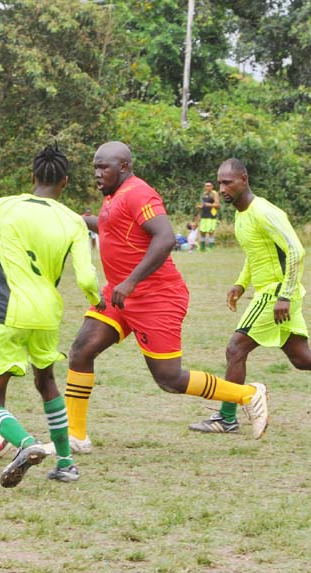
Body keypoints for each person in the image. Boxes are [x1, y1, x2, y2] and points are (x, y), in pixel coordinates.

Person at [66, 141, 269, 447]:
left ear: (123, 167)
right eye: (94, 167)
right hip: (120, 295)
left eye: (103, 167)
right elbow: (110, 227)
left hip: (156, 297)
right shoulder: (112, 197)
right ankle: (75, 436)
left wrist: (132, 281)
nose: (97, 173)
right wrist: (77, 220)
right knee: (81, 350)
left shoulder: (138, 193)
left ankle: (249, 394)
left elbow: (164, 237)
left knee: (169, 380)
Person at [0, 145, 101, 487]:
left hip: (5, 312)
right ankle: (66, 462)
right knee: (46, 382)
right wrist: (95, 298)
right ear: (65, 183)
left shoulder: (5, 206)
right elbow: (85, 277)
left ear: (32, 177)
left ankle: (26, 445)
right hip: (47, 315)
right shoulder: (73, 221)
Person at [189, 159, 311, 434]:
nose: (223, 188)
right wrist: (241, 283)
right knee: (302, 358)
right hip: (274, 291)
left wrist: (284, 296)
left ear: (244, 179)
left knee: (235, 349)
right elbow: (257, 254)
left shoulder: (263, 211)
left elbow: (296, 251)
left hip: (276, 293)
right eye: (220, 182)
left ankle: (226, 418)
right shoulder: (241, 213)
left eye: (228, 182)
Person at [194, 181, 220, 251]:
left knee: (210, 232)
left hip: (211, 215)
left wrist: (210, 205)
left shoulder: (214, 193)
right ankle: (202, 248)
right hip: (204, 215)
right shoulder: (204, 194)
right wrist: (200, 206)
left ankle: (211, 248)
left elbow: (218, 205)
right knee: (202, 231)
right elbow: (203, 204)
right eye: (206, 186)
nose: (207, 187)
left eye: (209, 186)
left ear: (212, 186)